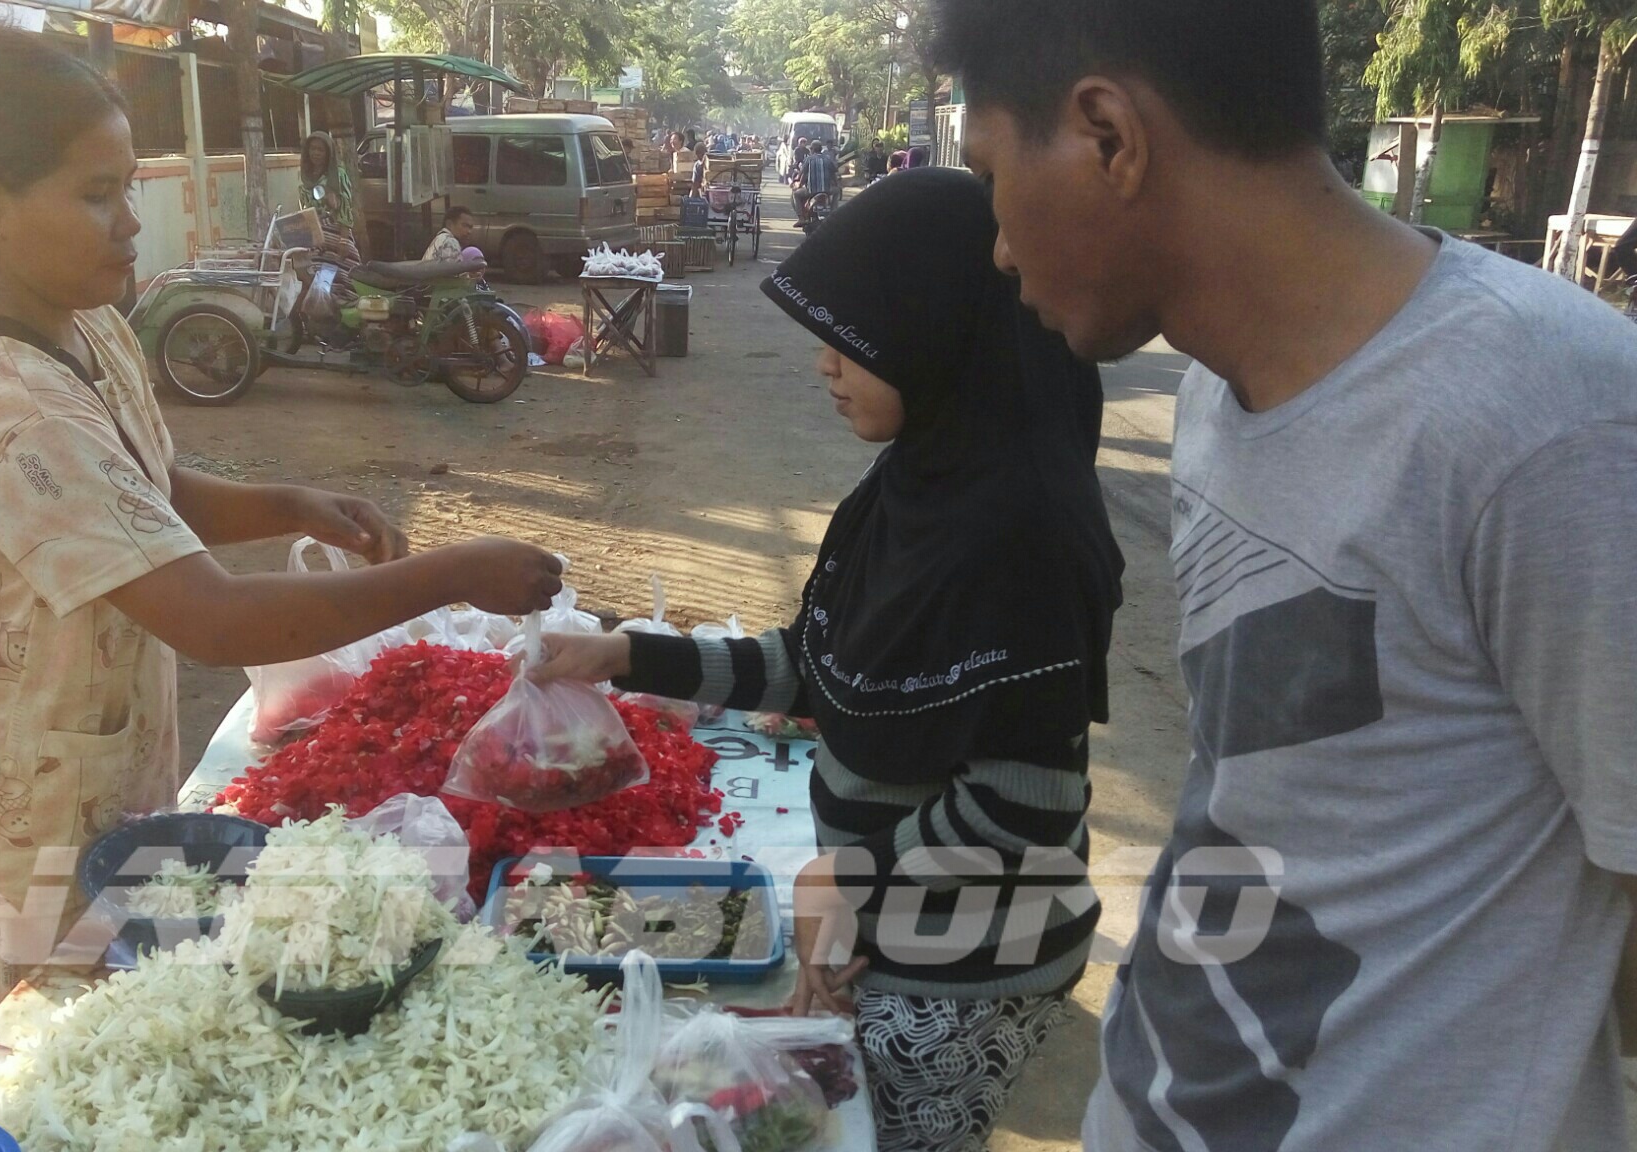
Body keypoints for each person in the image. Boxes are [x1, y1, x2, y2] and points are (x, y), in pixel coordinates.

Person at [934, 1, 1637, 1149]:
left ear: (1107, 135)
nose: (999, 247)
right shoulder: (1214, 400)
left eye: (988, 175)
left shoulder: (1552, 420)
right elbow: (1264, 808)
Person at [0, 12, 564, 1020]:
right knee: (33, 1046)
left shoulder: (87, 325)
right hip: (15, 821)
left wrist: (291, 503)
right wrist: (453, 573)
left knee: (119, 1013)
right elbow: (211, 619)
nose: (129, 222)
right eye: (96, 195)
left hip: (99, 779)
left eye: (129, 188)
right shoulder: (4, 400)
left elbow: (146, 489)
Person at [535, 169, 1124, 1152]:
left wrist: (846, 875)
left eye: (855, 339)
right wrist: (621, 654)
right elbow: (812, 664)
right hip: (891, 925)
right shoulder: (915, 486)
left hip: (969, 964)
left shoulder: (1021, 535)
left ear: (937, 329)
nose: (825, 365)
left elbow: (1026, 808)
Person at [298, 131, 358, 243]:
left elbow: (345, 209)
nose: (316, 153)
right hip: (314, 236)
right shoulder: (305, 176)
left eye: (320, 150)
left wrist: (343, 241)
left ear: (328, 153)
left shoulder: (338, 175)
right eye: (312, 149)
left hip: (337, 235)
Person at [794, 138, 838, 226]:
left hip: (811, 191)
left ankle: (801, 218)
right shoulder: (828, 159)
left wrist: (799, 182)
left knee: (796, 194)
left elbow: (803, 174)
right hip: (827, 190)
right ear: (821, 149)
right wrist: (836, 184)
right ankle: (834, 214)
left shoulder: (808, 159)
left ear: (812, 149)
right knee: (836, 192)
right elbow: (833, 174)